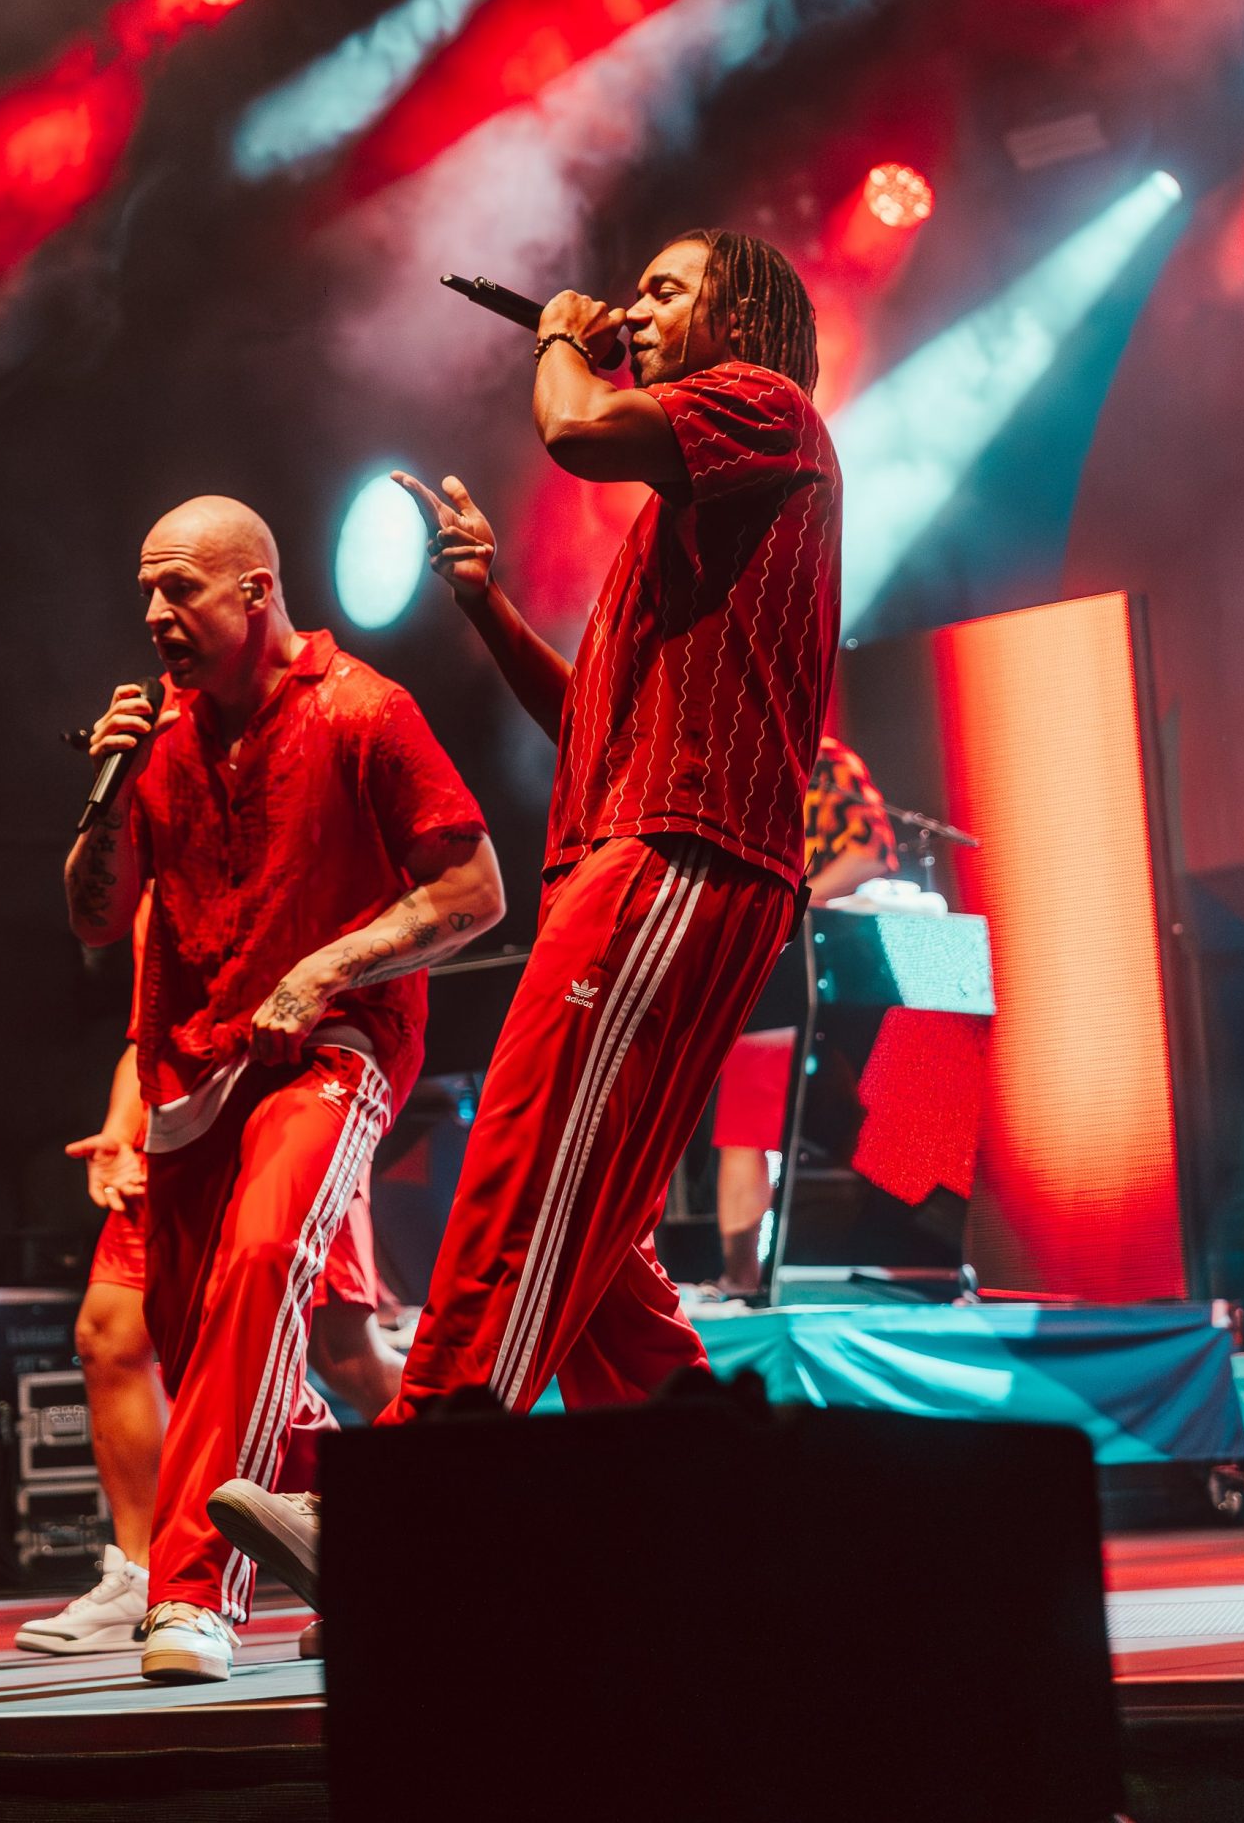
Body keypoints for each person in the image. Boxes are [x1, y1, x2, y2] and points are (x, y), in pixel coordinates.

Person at [208, 228, 840, 1606]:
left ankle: (408, 1494)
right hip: (647, 844)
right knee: (593, 1235)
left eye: (666, 291)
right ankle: (726, 1526)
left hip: (673, 853)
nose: (638, 310)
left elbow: (571, 429)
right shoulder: (692, 523)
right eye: (634, 294)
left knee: (530, 1146)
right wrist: (486, 603)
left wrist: (560, 329)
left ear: (739, 316)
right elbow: (592, 729)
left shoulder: (762, 405)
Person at [62, 494, 503, 1683]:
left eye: (179, 588)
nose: (154, 614)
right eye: (146, 592)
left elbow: (473, 892)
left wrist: (325, 970)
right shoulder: (156, 736)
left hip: (331, 1047)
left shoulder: (363, 708)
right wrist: (106, 789)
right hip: (187, 1070)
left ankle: (191, 1592)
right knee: (199, 1337)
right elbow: (96, 918)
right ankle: (403, 1542)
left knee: (263, 1262)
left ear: (254, 590)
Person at [13, 1034, 404, 1655]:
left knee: (344, 1354)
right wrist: (120, 1132)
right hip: (181, 1120)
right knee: (109, 1334)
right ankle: (144, 1573)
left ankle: (454, 1508)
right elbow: (150, 1030)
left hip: (293, 1104)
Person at [709, 736, 899, 1295]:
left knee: (813, 1122)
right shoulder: (733, 762)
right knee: (747, 1125)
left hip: (817, 966)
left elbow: (870, 852)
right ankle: (742, 1281)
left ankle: (760, 1279)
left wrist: (792, 901)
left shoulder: (819, 759)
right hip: (765, 970)